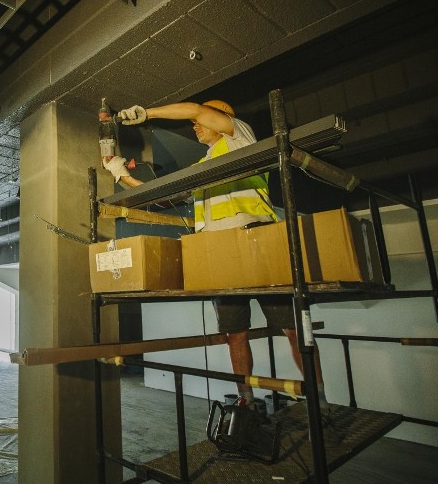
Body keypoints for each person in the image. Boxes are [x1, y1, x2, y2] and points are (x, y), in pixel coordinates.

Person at [102, 100, 338, 441]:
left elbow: (197, 112)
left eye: (201, 122)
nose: (195, 127)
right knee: (234, 332)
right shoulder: (204, 164)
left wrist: (147, 114)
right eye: (197, 123)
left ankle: (320, 403)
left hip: (254, 241)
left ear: (224, 118)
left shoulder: (241, 137)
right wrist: (120, 174)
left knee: (290, 327)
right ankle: (247, 402)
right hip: (217, 254)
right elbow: (162, 198)